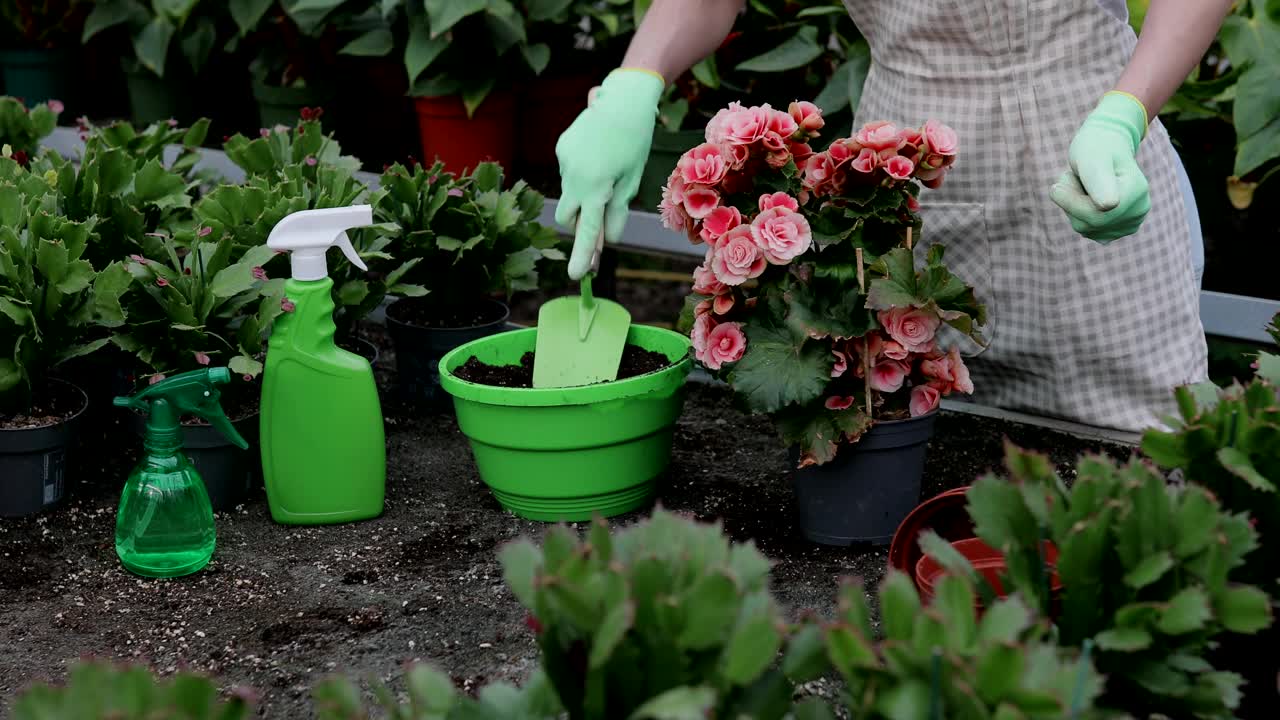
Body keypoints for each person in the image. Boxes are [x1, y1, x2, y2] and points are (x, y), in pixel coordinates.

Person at [553, 0, 1233, 432]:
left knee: (1140, 469)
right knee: (918, 466)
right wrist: (634, 84)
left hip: (1089, 148)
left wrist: (1127, 113)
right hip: (903, 177)